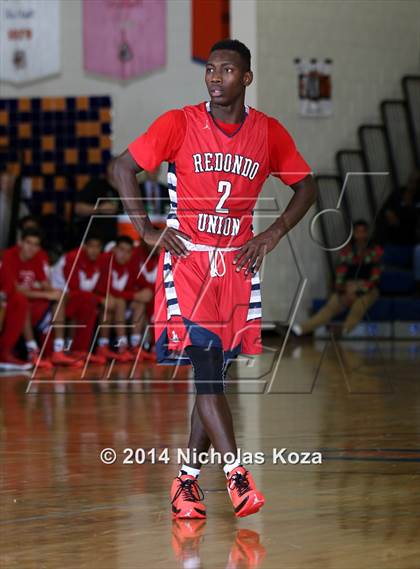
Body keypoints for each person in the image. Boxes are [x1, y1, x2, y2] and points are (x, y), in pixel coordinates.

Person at [111, 39, 316, 519]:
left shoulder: (268, 132)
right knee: (207, 373)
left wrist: (272, 234)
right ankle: (236, 476)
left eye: (227, 70)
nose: (215, 77)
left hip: (237, 266)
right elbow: (122, 167)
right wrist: (144, 228)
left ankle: (185, 485)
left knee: (213, 379)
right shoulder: (179, 123)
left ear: (246, 79)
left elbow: (307, 187)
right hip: (189, 261)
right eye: (210, 69)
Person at [1, 228, 84, 369]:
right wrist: (46, 294)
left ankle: (58, 350)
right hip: (10, 301)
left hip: (30, 300)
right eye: (28, 243)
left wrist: (55, 293)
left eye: (35, 244)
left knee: (59, 297)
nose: (32, 248)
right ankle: (32, 351)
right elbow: (14, 290)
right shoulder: (8, 256)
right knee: (22, 300)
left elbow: (45, 284)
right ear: (20, 242)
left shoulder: (39, 256)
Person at [293, 220, 383, 336]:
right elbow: (340, 273)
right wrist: (343, 290)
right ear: (353, 234)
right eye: (357, 232)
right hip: (347, 288)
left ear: (367, 234)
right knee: (331, 306)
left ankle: (345, 331)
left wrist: (359, 290)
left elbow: (375, 276)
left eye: (363, 232)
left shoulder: (375, 251)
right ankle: (298, 329)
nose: (360, 235)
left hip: (368, 289)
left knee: (359, 305)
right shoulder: (347, 251)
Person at [95, 236, 155, 362]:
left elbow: (141, 282)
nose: (124, 254)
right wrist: (134, 295)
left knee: (140, 303)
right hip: (99, 299)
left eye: (128, 251)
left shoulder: (131, 264)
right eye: (121, 250)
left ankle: (135, 346)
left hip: (119, 302)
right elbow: (104, 289)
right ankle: (116, 347)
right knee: (119, 302)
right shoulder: (106, 261)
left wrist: (148, 290)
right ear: (114, 249)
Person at [51, 234, 107, 364]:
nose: (94, 250)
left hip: (76, 297)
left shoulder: (101, 261)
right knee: (89, 300)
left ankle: (80, 350)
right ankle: (62, 350)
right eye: (91, 246)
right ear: (84, 246)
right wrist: (99, 298)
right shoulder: (72, 258)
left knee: (90, 301)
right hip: (59, 296)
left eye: (98, 247)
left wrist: (99, 297)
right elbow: (74, 287)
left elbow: (99, 288)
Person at [74, 161, 121, 247]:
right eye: (114, 166)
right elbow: (78, 208)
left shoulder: (128, 188)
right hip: (95, 240)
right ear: (108, 169)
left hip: (120, 239)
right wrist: (99, 208)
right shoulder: (96, 185)